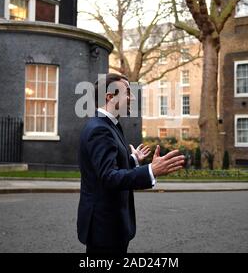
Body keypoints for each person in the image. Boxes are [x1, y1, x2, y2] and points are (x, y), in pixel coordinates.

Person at [77, 73, 185, 254]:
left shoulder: (110, 125)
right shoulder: (100, 129)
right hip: (104, 228)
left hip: (111, 226)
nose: (132, 98)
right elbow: (108, 177)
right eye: (127, 92)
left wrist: (132, 160)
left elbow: (108, 167)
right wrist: (151, 170)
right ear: (110, 97)